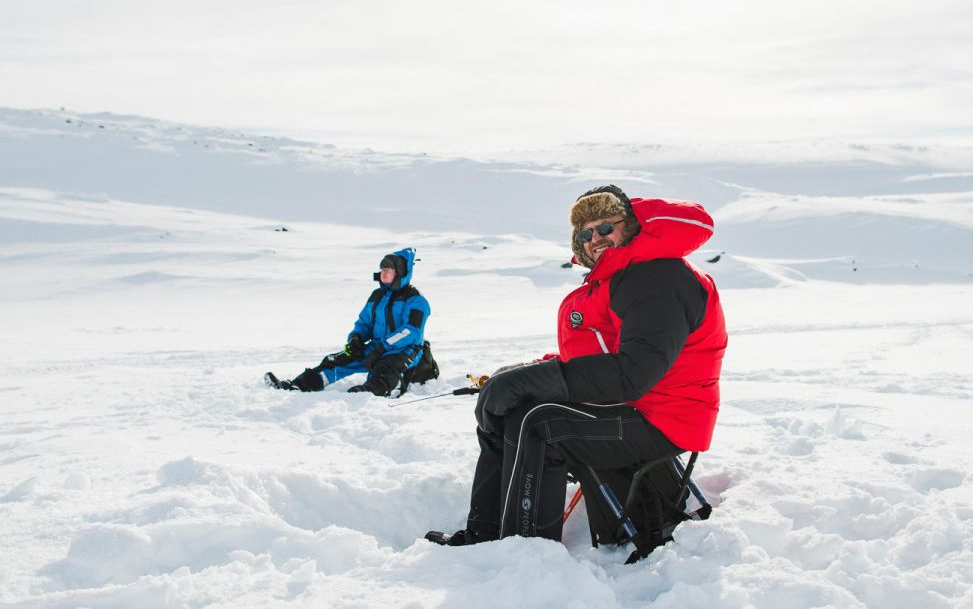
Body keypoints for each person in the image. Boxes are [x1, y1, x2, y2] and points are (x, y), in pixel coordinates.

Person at [426, 185, 726, 546]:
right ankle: (486, 533)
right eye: (585, 233)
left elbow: (632, 374)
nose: (595, 238)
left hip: (663, 418)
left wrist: (536, 380)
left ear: (629, 225)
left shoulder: (659, 278)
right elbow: (592, 357)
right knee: (510, 410)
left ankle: (524, 549)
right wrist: (524, 373)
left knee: (538, 424)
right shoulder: (620, 278)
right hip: (631, 407)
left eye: (605, 227)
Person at [265, 247, 431, 397]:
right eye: (383, 269)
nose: (384, 272)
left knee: (385, 369)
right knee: (334, 361)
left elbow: (410, 331)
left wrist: (383, 347)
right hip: (377, 347)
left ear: (400, 272)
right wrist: (356, 338)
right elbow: (364, 322)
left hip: (406, 349)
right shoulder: (377, 296)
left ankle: (369, 393)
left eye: (390, 269)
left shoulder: (416, 300)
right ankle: (297, 386)